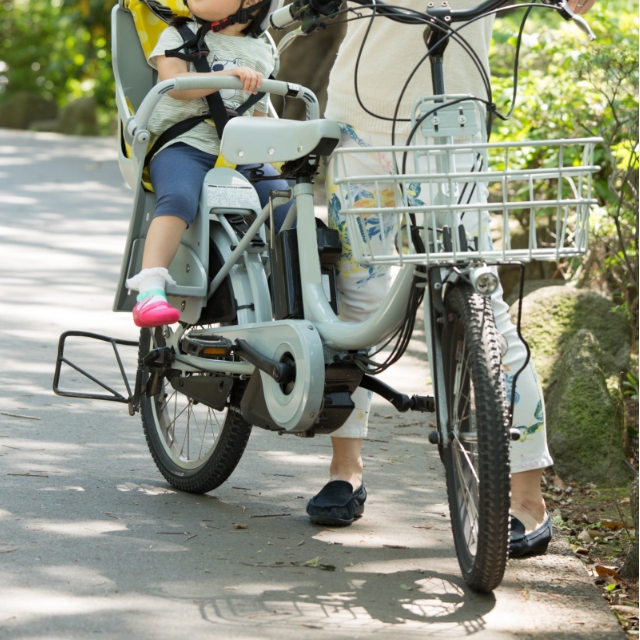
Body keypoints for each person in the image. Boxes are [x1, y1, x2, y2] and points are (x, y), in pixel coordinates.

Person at [306, 0, 595, 556]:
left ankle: (528, 500)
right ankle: (346, 470)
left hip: (450, 118)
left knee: (479, 300)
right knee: (357, 297)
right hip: (357, 120)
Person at [126, 0, 291, 328]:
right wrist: (226, 77)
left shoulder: (261, 50)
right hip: (183, 144)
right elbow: (173, 85)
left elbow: (258, 114)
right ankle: (150, 289)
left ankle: (297, 292)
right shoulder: (177, 34)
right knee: (177, 198)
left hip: (240, 153)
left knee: (286, 204)